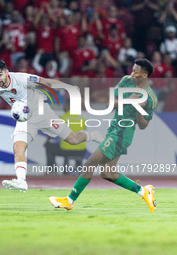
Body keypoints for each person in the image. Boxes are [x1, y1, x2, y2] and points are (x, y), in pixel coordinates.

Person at [0, 59, 105, 192]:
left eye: (0, 75)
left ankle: (94, 135)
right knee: (18, 147)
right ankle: (21, 181)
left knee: (72, 139)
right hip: (24, 119)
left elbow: (46, 82)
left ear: (6, 72)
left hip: (42, 113)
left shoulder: (21, 78)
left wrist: (68, 87)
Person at [49, 59, 158, 213]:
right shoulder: (126, 81)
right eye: (132, 70)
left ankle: (70, 200)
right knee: (108, 173)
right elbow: (110, 103)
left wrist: (139, 108)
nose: (131, 74)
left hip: (123, 134)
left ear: (145, 74)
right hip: (113, 129)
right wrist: (130, 100)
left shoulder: (151, 98)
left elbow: (143, 125)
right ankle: (144, 191)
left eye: (135, 71)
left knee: (90, 163)